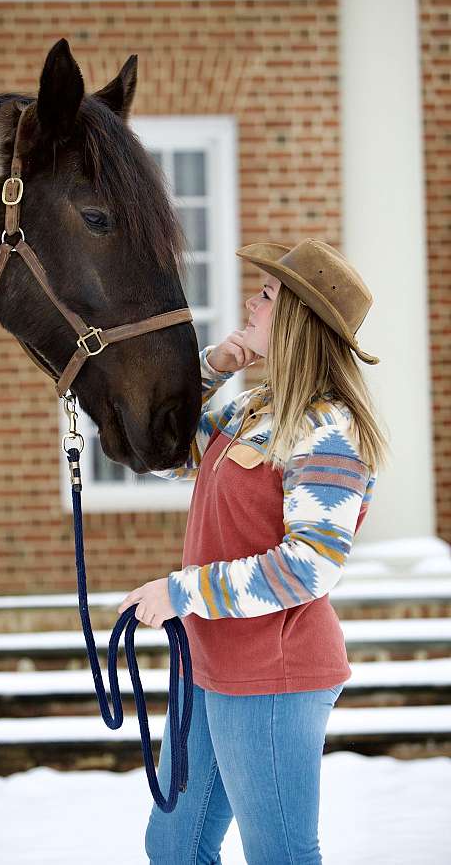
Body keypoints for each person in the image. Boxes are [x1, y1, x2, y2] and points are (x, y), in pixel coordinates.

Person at [117, 238, 390, 865]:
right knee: (174, 849)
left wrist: (180, 591)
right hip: (210, 663)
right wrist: (212, 367)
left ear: (296, 320)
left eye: (266, 296)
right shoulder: (251, 410)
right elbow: (161, 450)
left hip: (274, 672)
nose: (250, 300)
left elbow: (309, 566)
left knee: (280, 855)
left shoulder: (329, 431)